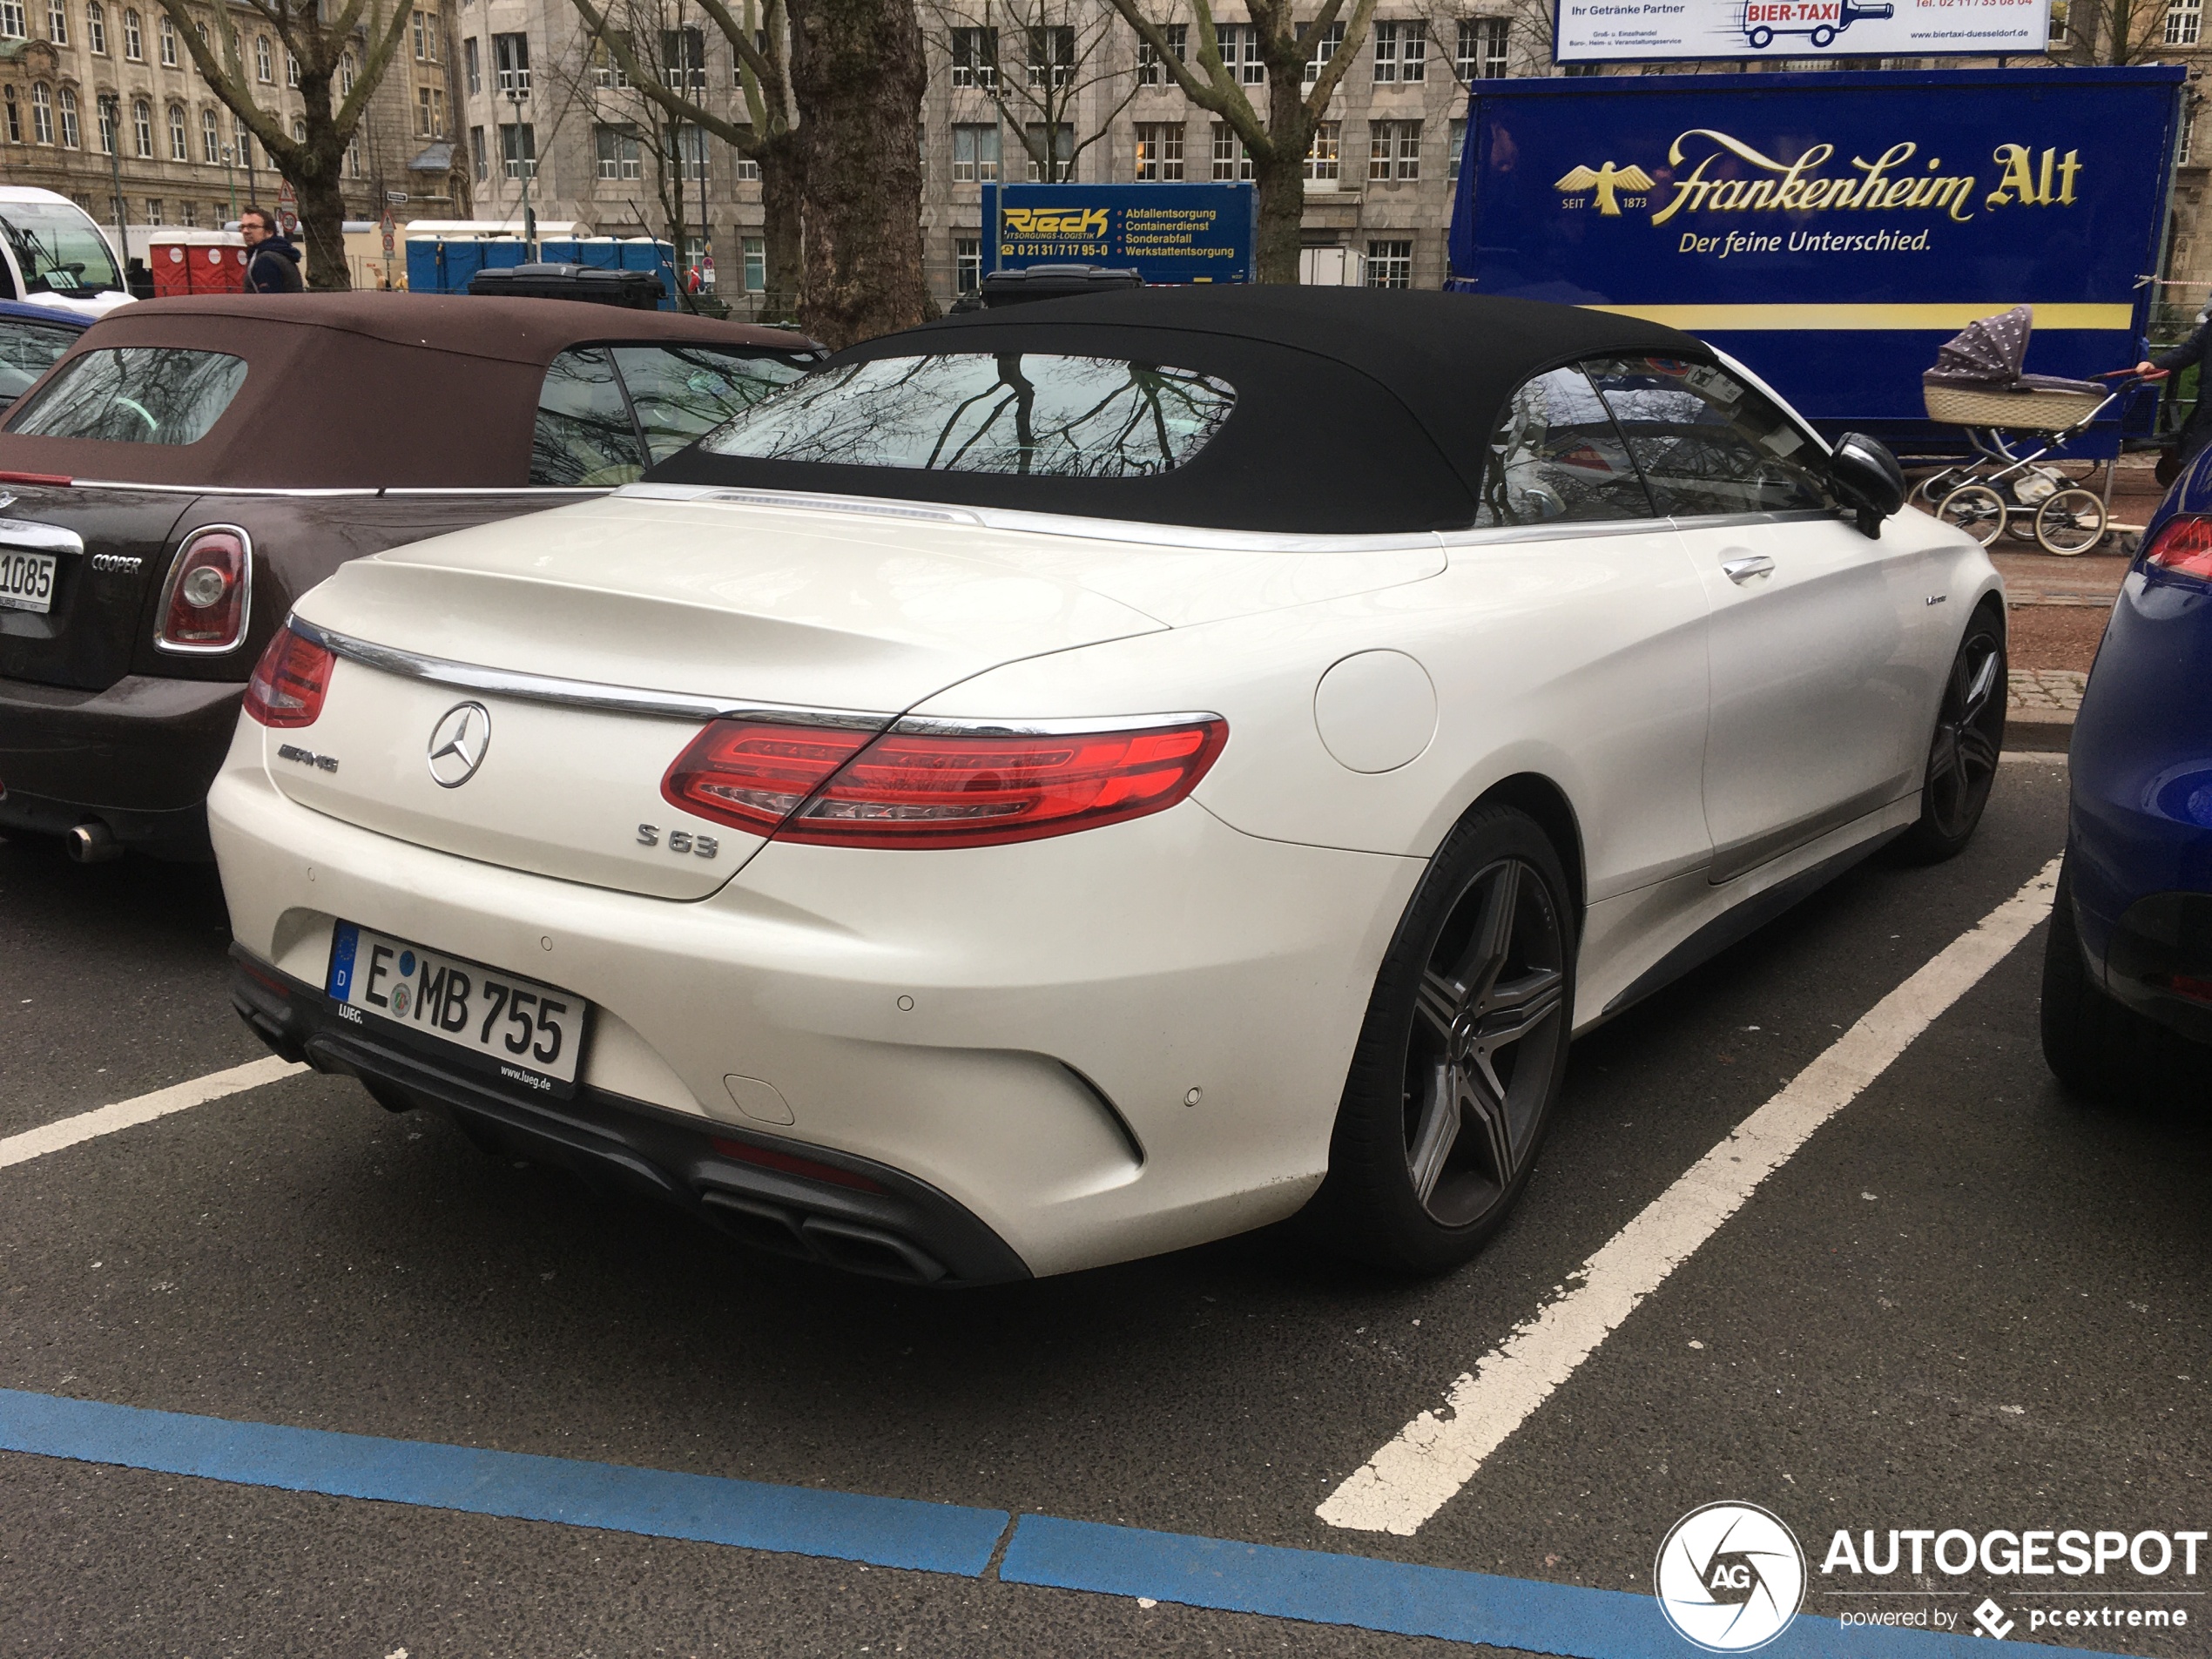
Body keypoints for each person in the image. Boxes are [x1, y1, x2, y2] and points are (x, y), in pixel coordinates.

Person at [238, 206, 304, 294]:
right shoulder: (279, 252)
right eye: (242, 227)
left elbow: (269, 302)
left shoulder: (265, 260)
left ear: (269, 232)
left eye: (252, 226)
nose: (245, 231)